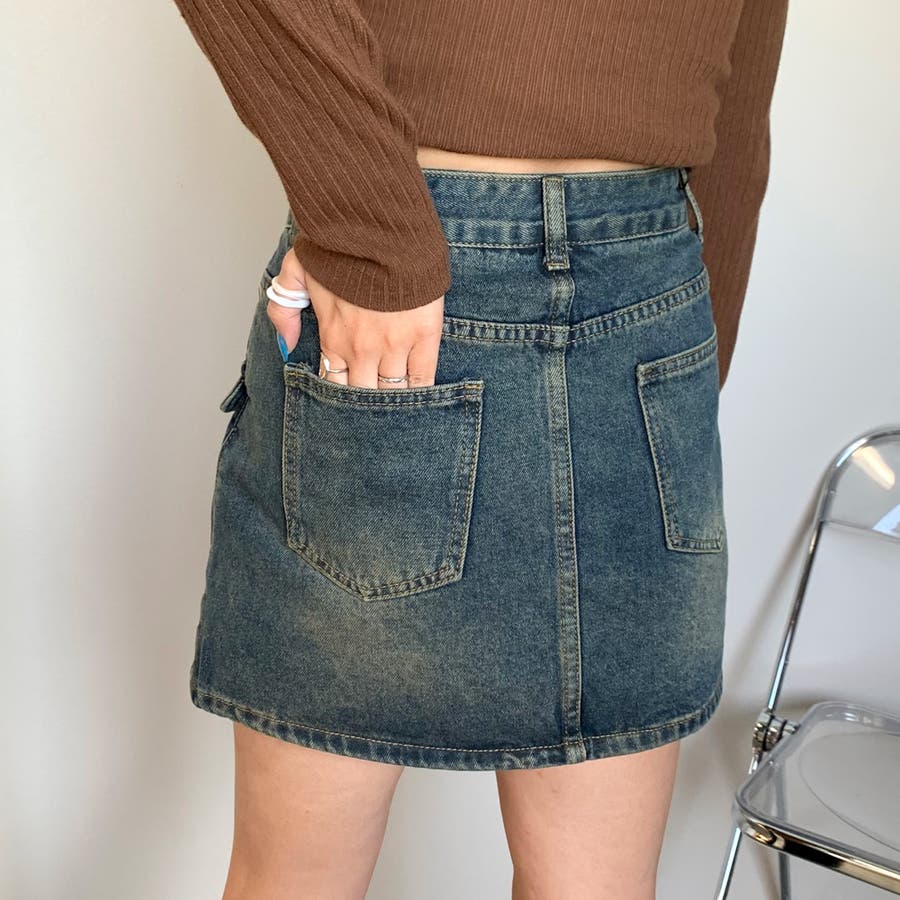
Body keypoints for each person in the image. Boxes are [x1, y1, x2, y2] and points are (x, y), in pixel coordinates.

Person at [171, 1, 789, 897]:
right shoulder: (384, 246)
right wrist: (372, 232)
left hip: (647, 292)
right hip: (412, 276)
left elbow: (747, 57)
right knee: (298, 876)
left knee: (596, 888)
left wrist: (697, 348)